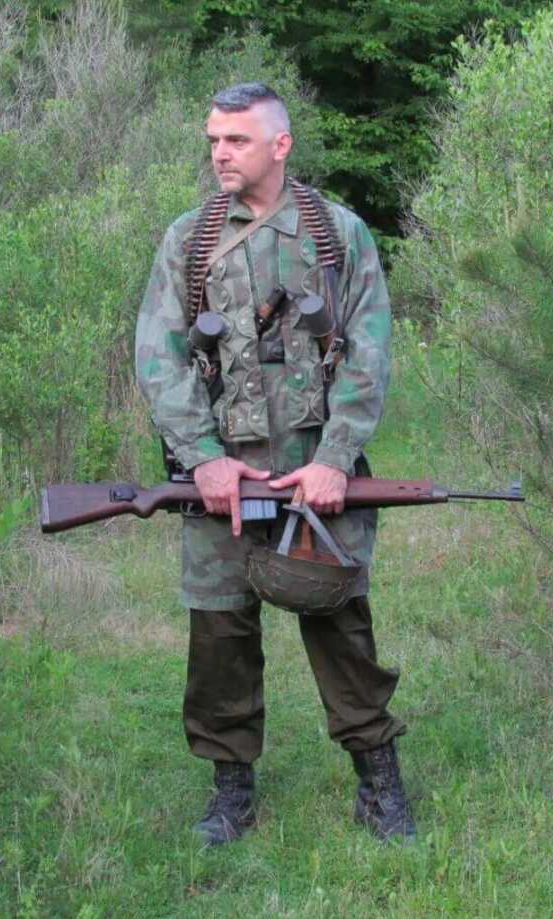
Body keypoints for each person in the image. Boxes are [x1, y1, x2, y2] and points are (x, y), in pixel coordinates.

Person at [135, 82, 414, 846]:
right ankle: (231, 791)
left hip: (313, 469)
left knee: (339, 623)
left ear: (279, 145)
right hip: (222, 474)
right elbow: (157, 357)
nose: (219, 153)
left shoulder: (337, 235)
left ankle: (378, 783)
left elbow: (369, 350)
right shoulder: (188, 240)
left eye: (236, 140)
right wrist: (202, 462)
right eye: (213, 140)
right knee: (219, 638)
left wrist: (333, 459)